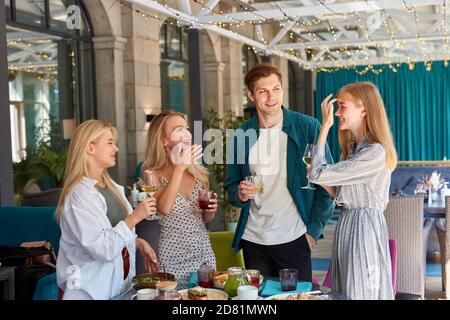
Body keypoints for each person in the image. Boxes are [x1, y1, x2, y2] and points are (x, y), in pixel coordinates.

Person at [224, 63, 335, 281]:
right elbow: (230, 187)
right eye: (263, 91)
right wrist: (240, 194)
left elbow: (327, 184)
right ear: (250, 95)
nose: (271, 97)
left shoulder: (308, 127)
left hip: (294, 238)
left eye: (276, 89)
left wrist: (312, 232)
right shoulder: (240, 136)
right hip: (253, 240)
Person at [308, 82, 397, 300]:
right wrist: (316, 174)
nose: (337, 113)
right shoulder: (355, 150)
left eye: (342, 107)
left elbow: (317, 173)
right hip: (349, 223)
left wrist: (324, 127)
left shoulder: (374, 152)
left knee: (361, 293)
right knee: (348, 292)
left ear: (364, 109)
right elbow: (338, 194)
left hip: (364, 228)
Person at [56, 120, 159, 300]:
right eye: (110, 142)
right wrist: (135, 217)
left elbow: (112, 230)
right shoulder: (78, 196)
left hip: (118, 288)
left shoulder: (111, 187)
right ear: (90, 148)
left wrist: (138, 242)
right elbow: (101, 248)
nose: (116, 149)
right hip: (89, 292)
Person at [142, 110, 218, 289]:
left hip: (203, 254)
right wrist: (179, 168)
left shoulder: (199, 172)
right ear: (163, 140)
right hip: (173, 258)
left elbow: (205, 219)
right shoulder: (152, 173)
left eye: (187, 128)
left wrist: (210, 210)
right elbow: (164, 208)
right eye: (178, 129)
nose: (186, 134)